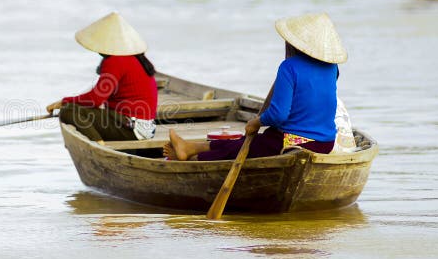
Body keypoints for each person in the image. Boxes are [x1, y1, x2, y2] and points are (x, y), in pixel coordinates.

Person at [164, 13, 347, 161]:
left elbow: (278, 115)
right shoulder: (332, 68)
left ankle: (195, 158)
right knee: (252, 142)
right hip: (326, 142)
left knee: (245, 147)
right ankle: (191, 147)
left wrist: (256, 122)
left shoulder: (289, 67)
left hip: (296, 143)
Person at [46, 12, 158, 144]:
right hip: (146, 127)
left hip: (132, 128)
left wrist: (63, 102)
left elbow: (96, 99)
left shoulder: (116, 61)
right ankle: (98, 139)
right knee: (77, 108)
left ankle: (98, 143)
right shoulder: (134, 58)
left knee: (68, 111)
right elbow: (99, 97)